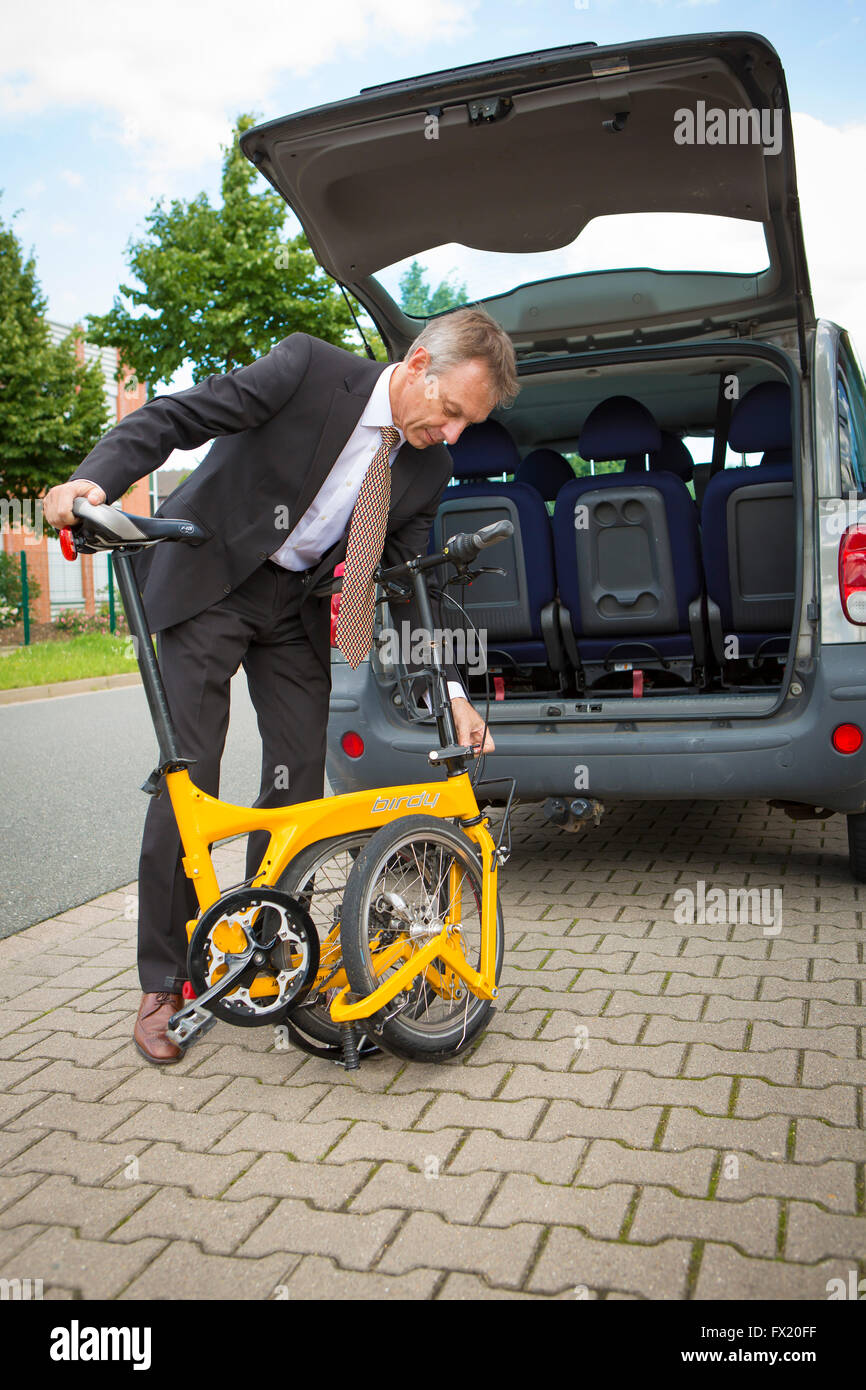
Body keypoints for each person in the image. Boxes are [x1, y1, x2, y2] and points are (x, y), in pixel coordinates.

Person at [43, 306, 520, 1063]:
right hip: (211, 581)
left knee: (298, 785)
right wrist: (90, 482)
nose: (454, 433)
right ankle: (164, 979)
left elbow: (407, 587)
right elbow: (176, 415)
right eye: (453, 412)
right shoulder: (307, 369)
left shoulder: (429, 467)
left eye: (470, 423)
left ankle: (266, 951)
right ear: (420, 365)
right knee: (189, 775)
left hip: (293, 609)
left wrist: (455, 695)